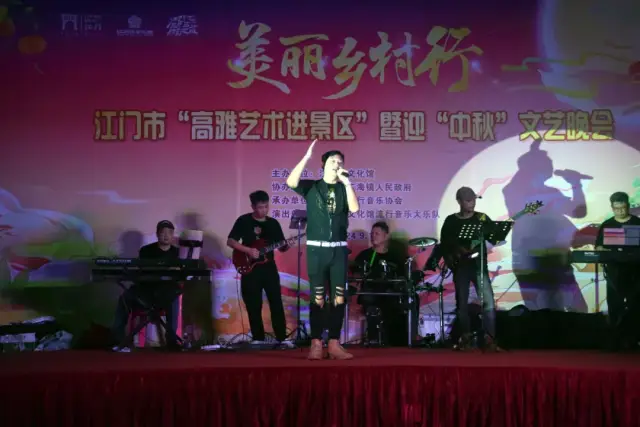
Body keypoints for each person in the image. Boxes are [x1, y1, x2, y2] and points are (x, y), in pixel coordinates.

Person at [286, 139, 360, 360]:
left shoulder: (344, 188)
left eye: (340, 162)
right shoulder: (312, 187)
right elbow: (291, 181)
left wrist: (347, 183)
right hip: (316, 251)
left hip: (338, 251)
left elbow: (354, 208)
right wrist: (306, 157)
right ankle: (316, 344)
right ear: (323, 165)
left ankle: (334, 344)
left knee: (338, 298)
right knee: (317, 297)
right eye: (332, 161)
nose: (337, 165)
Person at [227, 190, 294, 348]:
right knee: (253, 303)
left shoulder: (273, 223)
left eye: (266, 206)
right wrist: (248, 250)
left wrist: (287, 245)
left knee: (276, 301)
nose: (263, 210)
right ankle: (258, 337)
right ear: (252, 207)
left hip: (269, 267)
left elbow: (281, 247)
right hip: (250, 268)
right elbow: (231, 241)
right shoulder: (243, 221)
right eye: (260, 207)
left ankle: (281, 338)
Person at [440, 187, 501, 351]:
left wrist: (497, 234)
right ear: (459, 201)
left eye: (473, 200)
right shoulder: (451, 221)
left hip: (479, 266)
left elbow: (494, 237)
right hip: (460, 267)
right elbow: (444, 244)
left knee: (488, 302)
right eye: (468, 200)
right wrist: (453, 258)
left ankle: (490, 339)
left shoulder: (482, 218)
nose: (472, 203)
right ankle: (465, 339)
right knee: (462, 304)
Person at [111, 220, 181, 352]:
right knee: (125, 297)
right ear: (157, 234)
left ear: (173, 235)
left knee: (174, 297)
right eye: (163, 232)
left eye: (169, 233)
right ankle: (118, 340)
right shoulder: (146, 250)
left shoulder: (178, 253)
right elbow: (141, 272)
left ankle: (171, 341)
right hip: (145, 291)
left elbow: (181, 274)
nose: (166, 236)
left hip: (166, 292)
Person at [595, 191, 640, 351]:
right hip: (614, 272)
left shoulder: (637, 223)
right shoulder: (607, 225)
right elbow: (599, 247)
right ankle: (616, 341)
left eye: (623, 208)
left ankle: (634, 340)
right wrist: (601, 249)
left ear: (628, 206)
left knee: (635, 306)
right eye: (616, 208)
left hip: (636, 272)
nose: (620, 211)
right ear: (612, 208)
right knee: (614, 305)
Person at [353, 221, 410, 346]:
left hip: (391, 294)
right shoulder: (365, 255)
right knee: (372, 304)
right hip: (371, 293)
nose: (373, 236)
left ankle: (398, 342)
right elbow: (356, 274)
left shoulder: (395, 257)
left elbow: (402, 277)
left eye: (377, 234)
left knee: (400, 306)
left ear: (386, 236)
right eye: (372, 234)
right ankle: (373, 339)